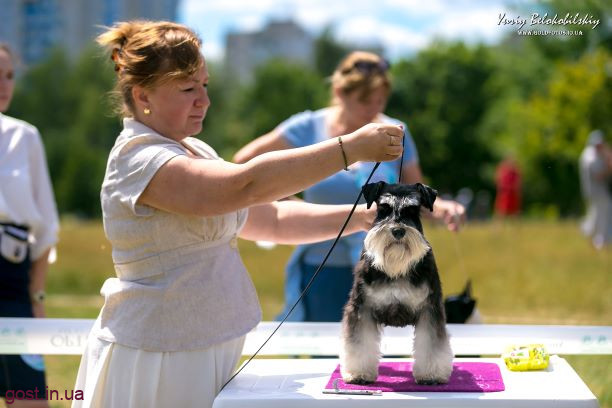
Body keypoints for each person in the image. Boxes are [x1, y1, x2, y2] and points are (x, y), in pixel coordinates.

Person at [73, 21, 405, 408]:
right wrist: (348, 149)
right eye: (188, 89)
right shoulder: (139, 157)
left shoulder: (196, 151)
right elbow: (243, 186)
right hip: (158, 356)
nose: (204, 100)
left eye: (204, 85)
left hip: (201, 350)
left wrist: (362, 217)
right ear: (142, 94)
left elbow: (273, 220)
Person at [233, 51, 466, 322]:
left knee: (383, 345)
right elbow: (243, 164)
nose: (374, 110)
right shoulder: (307, 126)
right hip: (322, 266)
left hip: (385, 267)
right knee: (322, 343)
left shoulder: (395, 132)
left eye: (380, 100)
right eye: (365, 101)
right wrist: (288, 204)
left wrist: (442, 207)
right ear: (339, 92)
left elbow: (413, 191)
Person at [0, 43, 59, 408]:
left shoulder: (25, 137)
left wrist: (36, 297)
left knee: (28, 398)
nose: (5, 85)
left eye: (9, 76)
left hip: (13, 279)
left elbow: (47, 226)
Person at [579, 130, 612, 249]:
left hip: (595, 191)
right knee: (603, 215)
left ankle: (588, 231)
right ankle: (601, 240)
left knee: (596, 214)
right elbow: (599, 175)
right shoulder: (590, 156)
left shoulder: (591, 154)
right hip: (596, 191)